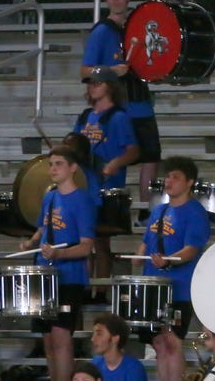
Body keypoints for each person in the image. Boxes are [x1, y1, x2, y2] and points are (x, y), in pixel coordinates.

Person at [81, 0, 162, 205]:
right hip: (117, 107)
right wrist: (110, 70)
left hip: (141, 102)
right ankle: (111, 208)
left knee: (151, 156)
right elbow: (84, 71)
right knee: (116, 159)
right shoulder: (102, 31)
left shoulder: (138, 28)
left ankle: (146, 209)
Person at [19, 145, 96, 381]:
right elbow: (43, 227)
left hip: (69, 277)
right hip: (44, 275)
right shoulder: (50, 196)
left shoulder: (82, 200)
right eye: (51, 164)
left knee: (62, 339)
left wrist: (59, 255)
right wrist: (31, 242)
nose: (53, 168)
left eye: (59, 163)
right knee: (48, 340)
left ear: (73, 168)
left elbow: (86, 245)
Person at [133, 156, 211, 381]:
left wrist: (168, 260)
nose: (169, 180)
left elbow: (191, 249)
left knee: (172, 340)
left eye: (176, 177)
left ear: (189, 182)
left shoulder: (195, 211)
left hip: (180, 287)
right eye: (167, 176)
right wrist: (138, 258)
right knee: (158, 341)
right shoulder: (158, 211)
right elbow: (147, 241)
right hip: (153, 284)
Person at [74, 65, 140, 303]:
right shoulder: (84, 116)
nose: (92, 87)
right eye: (90, 83)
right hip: (83, 186)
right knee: (82, 240)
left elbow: (133, 151)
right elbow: (74, 145)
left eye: (97, 83)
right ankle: (83, 286)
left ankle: (100, 290)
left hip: (105, 186)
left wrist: (115, 163)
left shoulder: (119, 117)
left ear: (110, 86)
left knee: (101, 242)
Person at [90, 313, 148, 380]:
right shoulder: (95, 364)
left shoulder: (134, 369)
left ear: (115, 338)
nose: (92, 339)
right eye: (93, 334)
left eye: (99, 334)